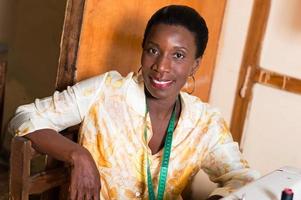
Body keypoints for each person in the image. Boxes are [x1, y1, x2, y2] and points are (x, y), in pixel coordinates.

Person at [9, 5, 259, 200]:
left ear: (195, 64)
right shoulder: (106, 92)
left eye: (178, 55)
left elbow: (244, 178)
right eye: (153, 50)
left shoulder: (205, 124)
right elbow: (24, 117)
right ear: (142, 49)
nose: (161, 66)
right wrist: (78, 154)